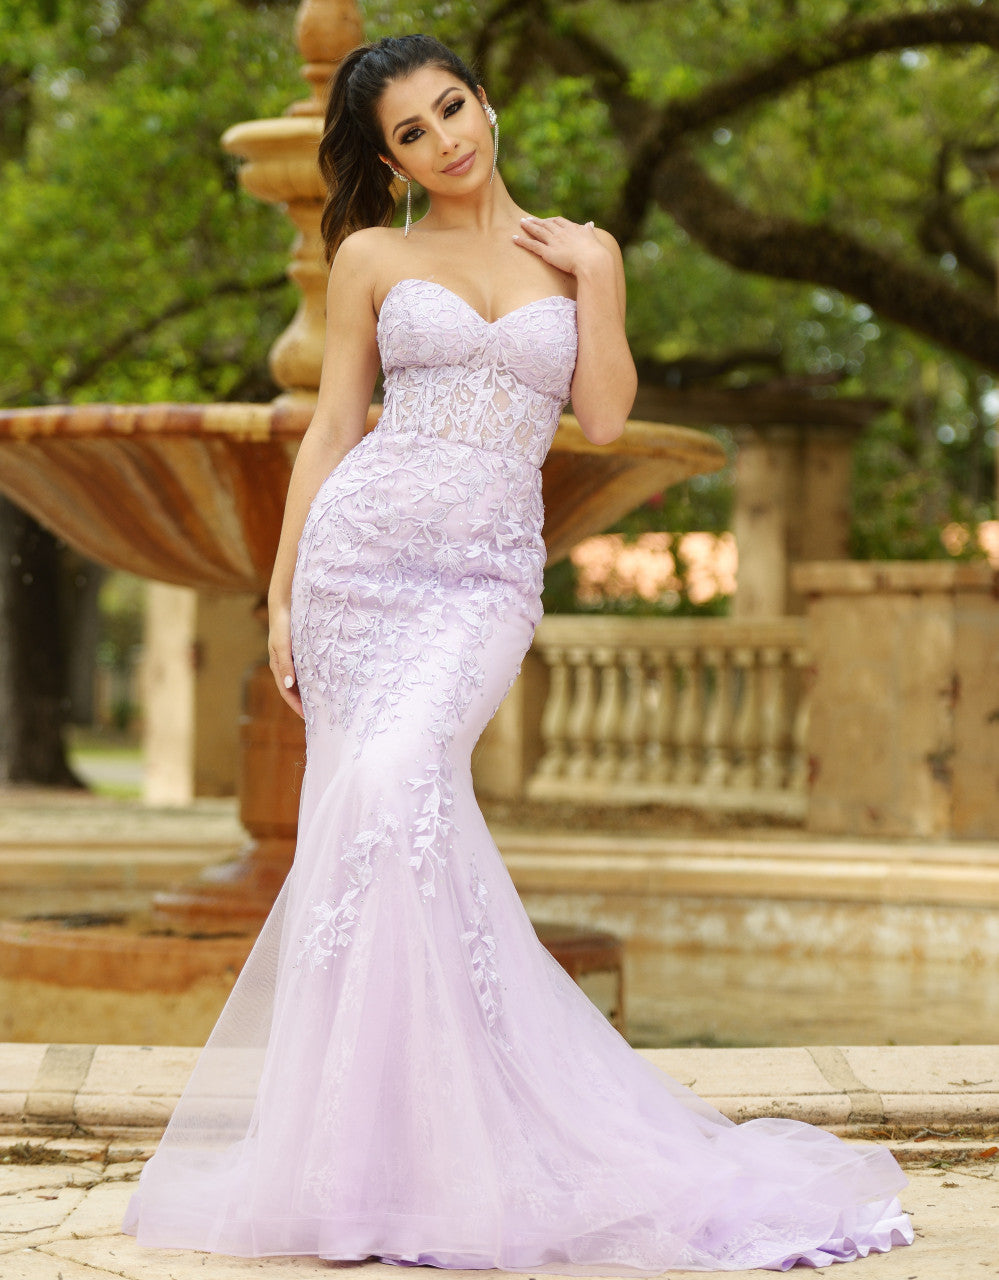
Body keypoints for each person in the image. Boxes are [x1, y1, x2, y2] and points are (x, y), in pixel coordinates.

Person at [123, 34, 914, 1272]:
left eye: (452, 108)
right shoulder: (375, 257)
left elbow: (600, 417)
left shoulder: (573, 250)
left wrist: (599, 275)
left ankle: (480, 1133)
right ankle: (379, 1154)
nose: (446, 141)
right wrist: (281, 593)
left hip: (483, 579)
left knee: (400, 793)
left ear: (484, 101)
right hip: (359, 564)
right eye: (411, 134)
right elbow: (333, 424)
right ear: (387, 160)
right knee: (380, 818)